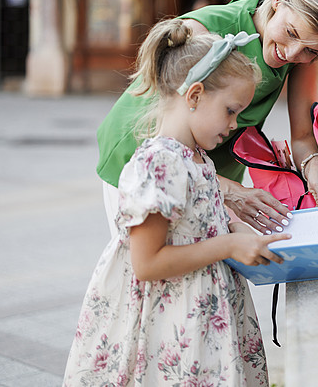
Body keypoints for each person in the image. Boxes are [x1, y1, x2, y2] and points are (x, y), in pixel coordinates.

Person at [64, 20, 291, 386]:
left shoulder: (196, 156)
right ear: (195, 96)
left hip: (197, 308)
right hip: (168, 315)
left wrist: (233, 227)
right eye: (231, 111)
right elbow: (147, 263)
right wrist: (230, 244)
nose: (234, 125)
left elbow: (198, 219)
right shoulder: (159, 162)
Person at [96, 0, 318, 236]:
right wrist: (228, 191)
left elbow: (303, 135)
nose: (292, 53)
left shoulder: (302, 46)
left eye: (311, 51)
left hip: (209, 175)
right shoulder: (205, 33)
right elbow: (162, 137)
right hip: (143, 157)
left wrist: (313, 167)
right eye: (292, 33)